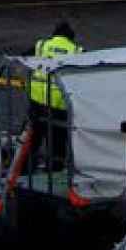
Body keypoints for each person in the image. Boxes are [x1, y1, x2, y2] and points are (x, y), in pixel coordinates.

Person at [28, 21, 81, 169]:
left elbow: (24, 58)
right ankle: (55, 168)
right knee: (58, 138)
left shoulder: (42, 45)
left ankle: (26, 167)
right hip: (59, 103)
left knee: (33, 136)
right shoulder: (76, 50)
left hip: (37, 100)